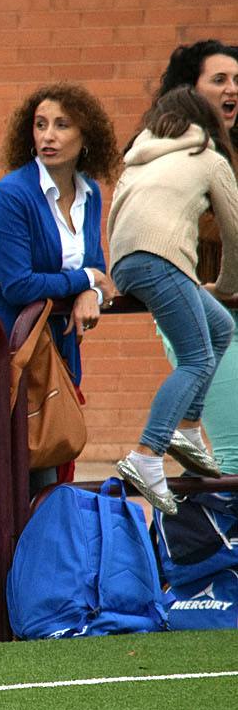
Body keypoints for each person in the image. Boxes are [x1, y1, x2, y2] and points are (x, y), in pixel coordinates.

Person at [0, 83, 120, 644]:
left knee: (47, 484)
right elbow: (16, 280)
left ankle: (27, 607)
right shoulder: (13, 195)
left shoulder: (91, 194)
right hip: (9, 358)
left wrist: (90, 291)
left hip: (58, 360)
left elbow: (96, 262)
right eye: (41, 125)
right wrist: (83, 282)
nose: (48, 137)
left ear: (86, 137)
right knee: (22, 486)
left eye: (62, 126)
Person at [107, 86, 238, 514]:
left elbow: (116, 215)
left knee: (221, 327)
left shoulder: (139, 159)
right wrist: (227, 284)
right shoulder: (210, 158)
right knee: (197, 359)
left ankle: (188, 428)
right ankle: (147, 454)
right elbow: (234, 232)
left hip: (126, 262)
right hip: (163, 258)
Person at [149, 41, 238, 474]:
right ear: (190, 90)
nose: (232, 89)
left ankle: (196, 536)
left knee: (217, 459)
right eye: (219, 80)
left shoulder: (230, 153)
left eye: (237, 81)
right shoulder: (166, 151)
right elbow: (190, 224)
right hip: (201, 309)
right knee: (234, 452)